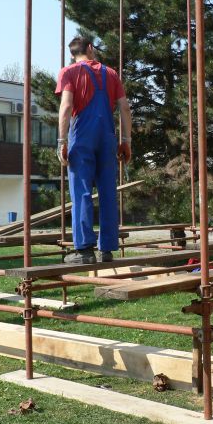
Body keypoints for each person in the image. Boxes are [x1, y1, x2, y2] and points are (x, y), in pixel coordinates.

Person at [56, 36, 133, 264]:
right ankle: (107, 250)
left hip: (82, 137)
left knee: (81, 192)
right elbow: (125, 108)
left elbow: (66, 106)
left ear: (72, 54)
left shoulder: (68, 72)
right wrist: (126, 140)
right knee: (108, 192)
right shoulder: (111, 74)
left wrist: (61, 141)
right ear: (90, 48)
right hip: (107, 138)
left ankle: (85, 251)